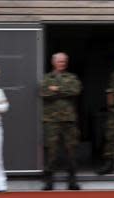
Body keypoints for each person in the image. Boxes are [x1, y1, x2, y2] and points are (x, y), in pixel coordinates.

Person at [40, 52, 82, 190]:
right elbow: (43, 92)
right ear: (53, 62)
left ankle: (72, 180)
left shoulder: (72, 77)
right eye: (59, 61)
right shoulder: (47, 78)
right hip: (51, 120)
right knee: (51, 150)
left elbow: (76, 90)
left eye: (64, 61)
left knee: (71, 150)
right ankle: (48, 179)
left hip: (69, 120)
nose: (62, 63)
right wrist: (64, 91)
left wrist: (56, 89)